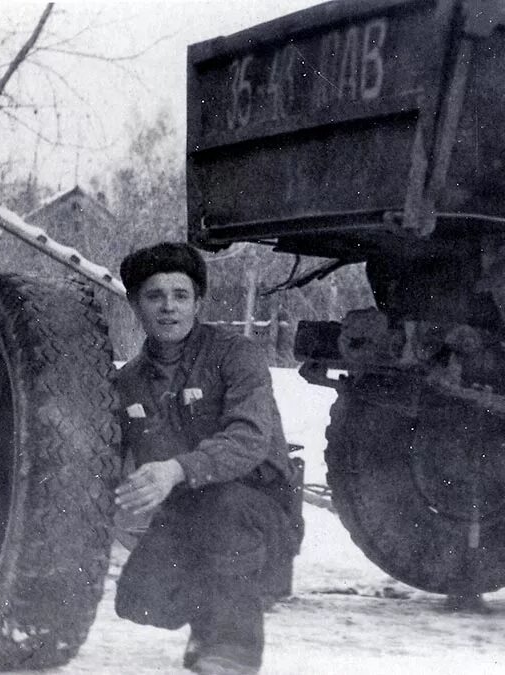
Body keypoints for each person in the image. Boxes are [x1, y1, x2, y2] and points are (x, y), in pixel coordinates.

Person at [112, 241, 302, 675]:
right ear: (134, 304)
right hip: (188, 516)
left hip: (262, 512)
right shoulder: (128, 384)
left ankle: (231, 652)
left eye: (180, 295)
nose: (168, 308)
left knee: (225, 507)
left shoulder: (236, 356)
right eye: (154, 295)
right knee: (139, 602)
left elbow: (249, 438)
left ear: (198, 301)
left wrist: (177, 469)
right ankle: (210, 619)